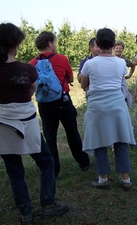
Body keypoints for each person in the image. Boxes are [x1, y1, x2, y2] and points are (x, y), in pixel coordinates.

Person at [0, 23, 68, 224]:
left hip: (2, 125)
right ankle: (47, 204)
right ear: (16, 44)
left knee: (14, 171)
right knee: (46, 162)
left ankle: (26, 212)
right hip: (27, 125)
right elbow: (29, 93)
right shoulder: (28, 69)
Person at [80, 28, 136, 191]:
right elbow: (119, 81)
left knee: (99, 141)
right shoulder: (120, 62)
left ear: (97, 44)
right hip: (117, 104)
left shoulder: (90, 63)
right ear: (113, 44)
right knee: (120, 139)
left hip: (97, 105)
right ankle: (126, 179)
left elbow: (83, 84)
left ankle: (103, 178)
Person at [29, 31, 90, 178]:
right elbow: (69, 77)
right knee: (72, 132)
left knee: (50, 136)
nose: (55, 45)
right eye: (54, 42)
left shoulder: (32, 63)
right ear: (50, 43)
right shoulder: (62, 59)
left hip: (44, 103)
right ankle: (83, 162)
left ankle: (53, 168)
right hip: (62, 100)